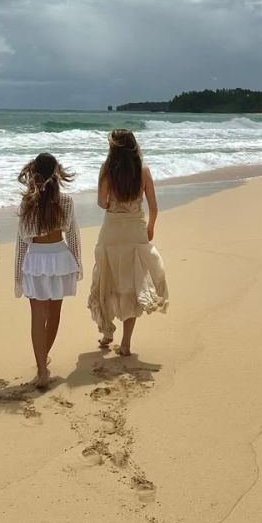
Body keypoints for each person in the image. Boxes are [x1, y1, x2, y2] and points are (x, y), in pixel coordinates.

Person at [89, 129, 168, 356]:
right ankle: (125, 343)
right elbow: (153, 206)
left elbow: (101, 203)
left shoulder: (107, 171)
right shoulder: (143, 171)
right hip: (135, 230)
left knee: (107, 279)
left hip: (112, 230)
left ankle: (107, 332)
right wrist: (151, 226)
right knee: (132, 284)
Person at [14, 153, 82, 388]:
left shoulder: (27, 203)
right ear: (57, 172)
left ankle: (42, 368)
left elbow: (22, 241)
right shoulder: (66, 201)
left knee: (37, 317)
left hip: (36, 260)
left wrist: (17, 276)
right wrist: (78, 265)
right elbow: (73, 235)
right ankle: (43, 359)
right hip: (61, 258)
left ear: (33, 173)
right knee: (54, 315)